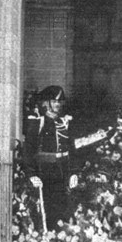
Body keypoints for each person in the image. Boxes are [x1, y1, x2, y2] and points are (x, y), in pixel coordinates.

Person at [23, 85, 78, 230]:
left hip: (62, 172)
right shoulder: (38, 122)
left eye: (59, 102)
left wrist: (73, 172)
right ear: (46, 103)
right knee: (47, 212)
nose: (57, 105)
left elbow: (71, 150)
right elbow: (28, 150)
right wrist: (32, 174)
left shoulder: (64, 123)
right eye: (54, 101)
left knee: (64, 209)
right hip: (44, 172)